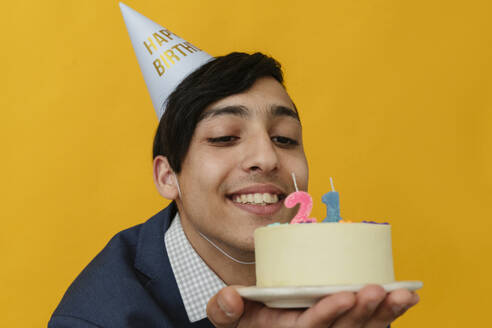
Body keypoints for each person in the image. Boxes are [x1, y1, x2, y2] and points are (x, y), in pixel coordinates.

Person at [48, 52, 419, 328]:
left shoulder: (338, 289)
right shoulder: (95, 318)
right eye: (225, 137)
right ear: (167, 177)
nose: (266, 157)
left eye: (285, 139)